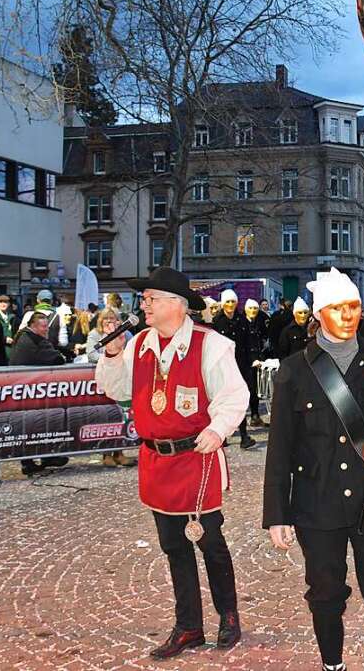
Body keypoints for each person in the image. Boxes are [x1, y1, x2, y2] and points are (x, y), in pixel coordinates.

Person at [263, 268, 364, 671]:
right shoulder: (295, 370)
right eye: (337, 308)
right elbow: (279, 446)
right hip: (318, 503)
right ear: (319, 314)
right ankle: (333, 665)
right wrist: (277, 514)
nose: (348, 315)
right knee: (325, 594)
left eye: (353, 306)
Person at [96, 267, 247, 659]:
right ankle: (188, 626)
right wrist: (113, 356)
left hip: (196, 458)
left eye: (151, 299)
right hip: (156, 461)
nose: (143, 305)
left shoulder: (210, 344)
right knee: (173, 547)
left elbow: (235, 396)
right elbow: (116, 389)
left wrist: (218, 430)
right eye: (144, 299)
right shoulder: (141, 343)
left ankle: (228, 615)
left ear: (176, 306)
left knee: (209, 542)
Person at [11, 312, 70, 475]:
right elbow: (55, 358)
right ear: (34, 326)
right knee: (34, 424)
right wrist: (64, 355)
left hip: (25, 387)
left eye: (47, 326)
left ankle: (38, 457)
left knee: (32, 424)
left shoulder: (24, 337)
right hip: (30, 389)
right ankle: (36, 458)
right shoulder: (33, 340)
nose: (46, 330)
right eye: (43, 327)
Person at [87, 309, 138, 469]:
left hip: (122, 379)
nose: (109, 321)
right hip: (104, 379)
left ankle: (119, 452)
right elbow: (91, 354)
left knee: (123, 418)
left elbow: (131, 353)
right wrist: (111, 354)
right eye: (106, 318)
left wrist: (120, 355)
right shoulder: (95, 334)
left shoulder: (127, 334)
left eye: (112, 318)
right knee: (107, 418)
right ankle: (106, 454)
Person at [213, 290, 256, 450]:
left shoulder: (242, 320)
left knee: (240, 400)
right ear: (223, 304)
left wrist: (253, 360)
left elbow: (249, 342)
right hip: (222, 365)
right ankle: (222, 435)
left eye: (233, 302)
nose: (230, 305)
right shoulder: (217, 321)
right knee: (222, 401)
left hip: (240, 364)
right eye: (228, 302)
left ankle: (244, 435)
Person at [241, 299, 270, 428]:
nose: (253, 311)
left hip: (258, 359)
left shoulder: (259, 322)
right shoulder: (241, 323)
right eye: (250, 308)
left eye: (255, 309)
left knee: (256, 390)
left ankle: (255, 415)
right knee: (246, 390)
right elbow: (240, 345)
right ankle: (241, 419)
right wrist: (250, 360)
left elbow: (263, 338)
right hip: (245, 361)